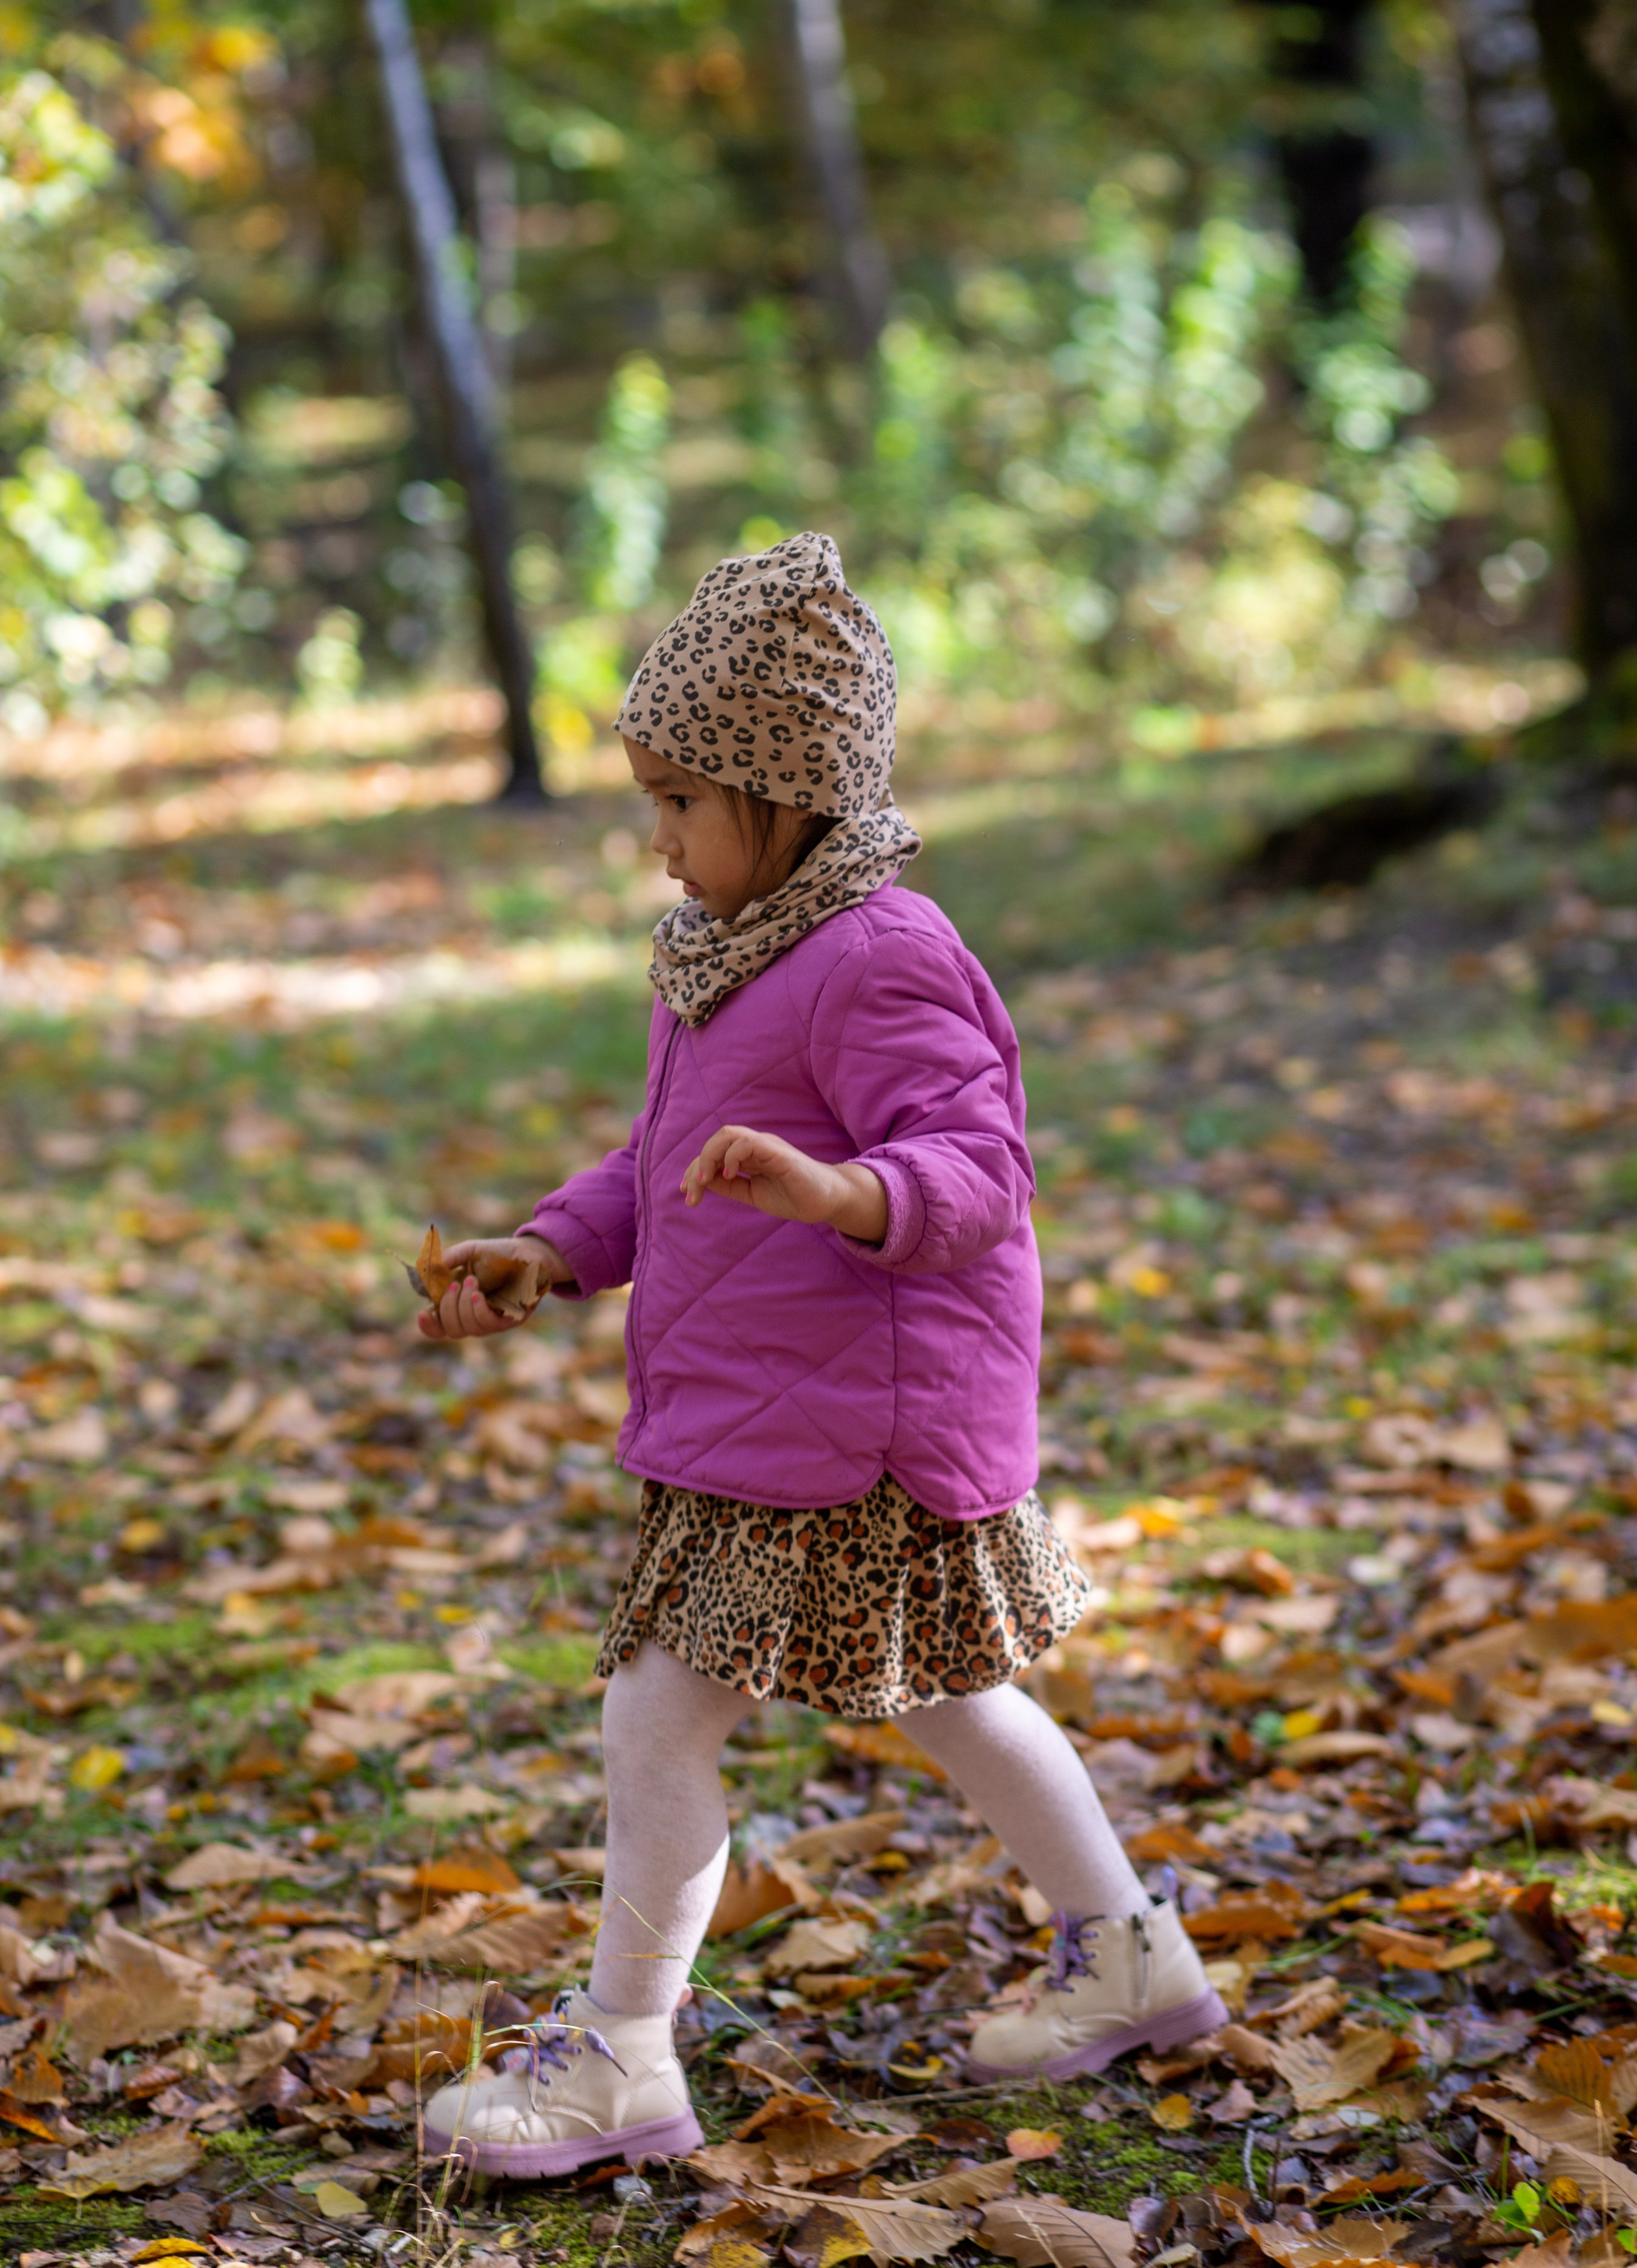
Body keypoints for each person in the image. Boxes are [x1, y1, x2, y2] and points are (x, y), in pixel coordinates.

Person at [413, 532, 1222, 2176]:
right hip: (783, 1414)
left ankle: (623, 2055)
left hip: (860, 1424)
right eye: (650, 801)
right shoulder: (731, 952)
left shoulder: (875, 950)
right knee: (949, 1700)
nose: (658, 841)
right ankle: (1126, 1954)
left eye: (681, 802)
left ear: (786, 796)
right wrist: (551, 1248)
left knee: (660, 1716)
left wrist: (845, 1193)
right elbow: (666, 1167)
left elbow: (979, 1168)